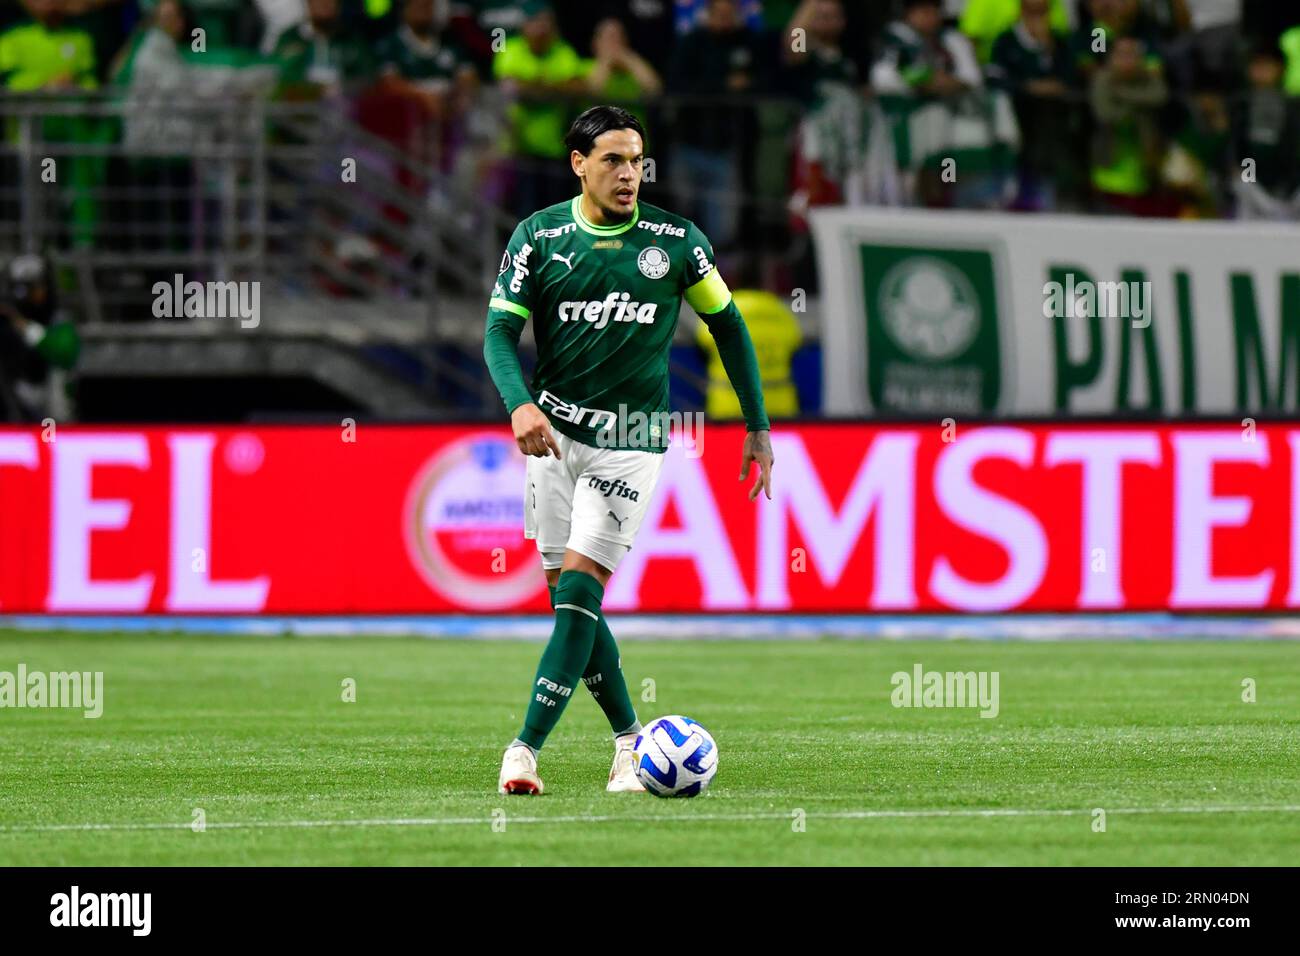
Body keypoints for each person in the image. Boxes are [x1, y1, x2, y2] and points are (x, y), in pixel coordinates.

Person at [482, 105, 772, 795]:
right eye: (612, 160)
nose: (629, 174)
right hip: (553, 439)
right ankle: (628, 743)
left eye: (636, 159)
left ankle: (523, 749)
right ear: (578, 163)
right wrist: (519, 403)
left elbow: (728, 326)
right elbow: (498, 334)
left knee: (581, 589)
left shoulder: (676, 243)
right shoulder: (540, 237)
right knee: (568, 605)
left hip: (631, 442)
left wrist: (755, 425)